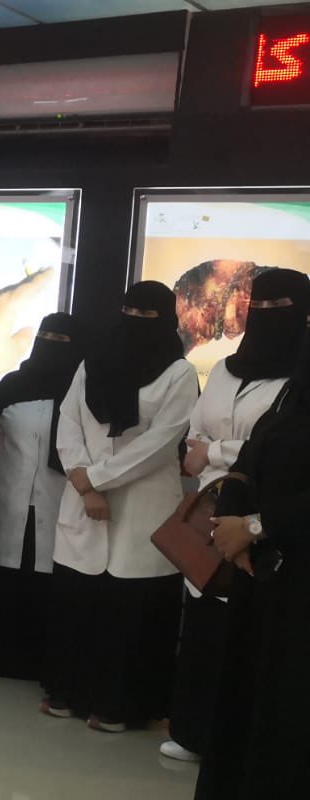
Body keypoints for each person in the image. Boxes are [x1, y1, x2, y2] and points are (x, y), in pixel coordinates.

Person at [163, 269, 309, 762]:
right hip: (213, 511)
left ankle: (230, 741)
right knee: (203, 620)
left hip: (264, 519)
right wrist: (212, 452)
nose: (265, 317)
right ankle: (192, 731)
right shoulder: (225, 368)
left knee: (245, 633)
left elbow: (269, 446)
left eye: (278, 308)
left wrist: (215, 451)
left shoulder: (298, 378)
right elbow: (195, 432)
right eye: (258, 307)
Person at [44, 281, 197, 732]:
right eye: (130, 311)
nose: (136, 322)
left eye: (147, 315)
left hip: (141, 506)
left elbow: (162, 441)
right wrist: (82, 479)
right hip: (84, 499)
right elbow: (68, 421)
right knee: (79, 605)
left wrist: (96, 479)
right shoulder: (91, 362)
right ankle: (67, 692)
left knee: (130, 613)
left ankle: (119, 706)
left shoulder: (180, 373)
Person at [196, 309, 310, 799]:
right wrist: (233, 526)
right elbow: (251, 456)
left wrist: (255, 527)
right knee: (248, 697)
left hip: (298, 580)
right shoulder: (292, 394)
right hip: (260, 572)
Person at [0, 313, 85, 680]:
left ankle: (41, 662)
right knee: (5, 575)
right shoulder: (12, 385)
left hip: (59, 498)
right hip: (12, 493)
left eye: (61, 339)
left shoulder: (83, 392)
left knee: (47, 578)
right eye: (46, 335)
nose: (52, 344)